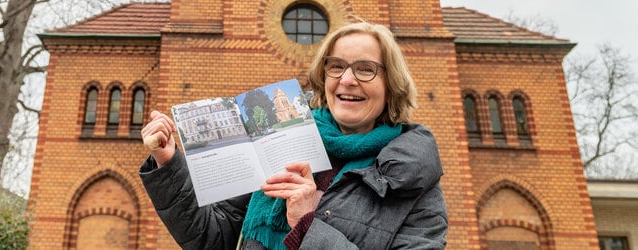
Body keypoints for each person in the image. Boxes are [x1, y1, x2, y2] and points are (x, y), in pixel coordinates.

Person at [139, 21, 448, 249]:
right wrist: (168, 162)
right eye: (336, 66)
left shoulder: (414, 179)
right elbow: (212, 238)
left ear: (392, 84)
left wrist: (307, 224)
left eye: (365, 69)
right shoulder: (282, 135)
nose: (347, 80)